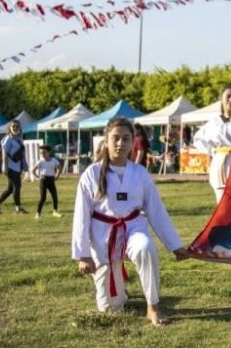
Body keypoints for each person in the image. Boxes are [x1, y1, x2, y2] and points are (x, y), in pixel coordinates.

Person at [71, 117, 191, 327]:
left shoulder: (140, 173)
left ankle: (152, 306)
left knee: (145, 248)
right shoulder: (92, 174)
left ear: (132, 142)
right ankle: (117, 287)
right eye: (115, 138)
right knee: (110, 308)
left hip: (133, 227)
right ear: (106, 141)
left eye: (126, 139)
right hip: (102, 236)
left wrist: (175, 245)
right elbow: (81, 216)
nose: (120, 143)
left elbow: (156, 211)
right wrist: (83, 255)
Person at [192, 85, 231, 204]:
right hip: (219, 163)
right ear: (222, 99)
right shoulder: (214, 121)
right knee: (222, 203)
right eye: (228, 96)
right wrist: (212, 151)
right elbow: (198, 139)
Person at [0, 121, 29, 214]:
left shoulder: (19, 138)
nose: (15, 127)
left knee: (10, 189)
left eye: (17, 126)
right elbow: (4, 152)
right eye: (13, 126)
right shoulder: (8, 138)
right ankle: (18, 208)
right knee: (17, 186)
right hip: (11, 166)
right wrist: (4, 165)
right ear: (10, 128)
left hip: (17, 166)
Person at [32, 145, 63, 220]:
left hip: (51, 179)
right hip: (44, 180)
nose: (42, 154)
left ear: (48, 153)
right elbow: (33, 171)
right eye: (41, 153)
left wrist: (57, 176)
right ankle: (38, 214)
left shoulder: (53, 160)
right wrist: (38, 178)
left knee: (54, 196)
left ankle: (55, 211)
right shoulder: (40, 162)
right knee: (43, 198)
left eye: (44, 153)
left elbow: (60, 168)